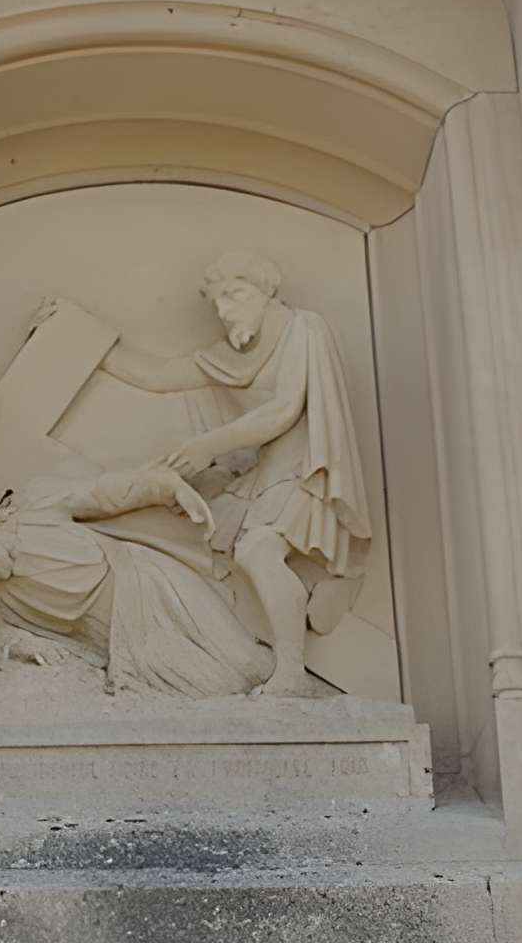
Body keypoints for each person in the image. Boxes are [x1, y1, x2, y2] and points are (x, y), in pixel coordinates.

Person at [45, 253, 370, 697]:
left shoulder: (302, 328)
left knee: (257, 550)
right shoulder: (236, 357)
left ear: (266, 292)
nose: (225, 310)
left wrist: (207, 446)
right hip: (262, 476)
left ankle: (292, 672)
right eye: (218, 302)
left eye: (235, 295)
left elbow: (284, 409)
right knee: (196, 534)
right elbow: (157, 376)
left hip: (304, 471)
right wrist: (78, 335)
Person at [0, 461, 271, 700]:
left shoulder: (33, 506)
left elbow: (105, 493)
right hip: (123, 636)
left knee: (246, 662)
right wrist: (25, 645)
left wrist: (167, 487)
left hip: (149, 579)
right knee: (219, 687)